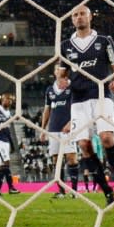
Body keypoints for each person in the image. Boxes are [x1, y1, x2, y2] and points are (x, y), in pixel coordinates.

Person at [61, 4, 114, 205]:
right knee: (84, 145)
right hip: (78, 101)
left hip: (101, 95)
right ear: (72, 19)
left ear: (90, 16)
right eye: (75, 15)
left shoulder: (104, 41)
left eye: (82, 13)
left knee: (107, 139)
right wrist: (61, 78)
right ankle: (107, 191)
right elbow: (61, 72)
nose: (78, 17)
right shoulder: (65, 45)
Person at [40, 63, 79, 198]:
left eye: (61, 68)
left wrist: (71, 122)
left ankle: (74, 191)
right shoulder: (50, 90)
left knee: (71, 158)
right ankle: (61, 190)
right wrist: (43, 129)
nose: (59, 70)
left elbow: (77, 107)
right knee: (56, 160)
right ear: (54, 72)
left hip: (68, 128)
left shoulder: (72, 87)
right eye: (56, 68)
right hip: (54, 128)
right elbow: (47, 110)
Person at [0, 93, 20, 195]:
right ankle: (10, 188)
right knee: (5, 162)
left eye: (10, 99)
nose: (9, 101)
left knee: (3, 165)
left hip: (5, 140)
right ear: (2, 100)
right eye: (7, 99)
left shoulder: (8, 113)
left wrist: (12, 144)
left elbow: (8, 129)